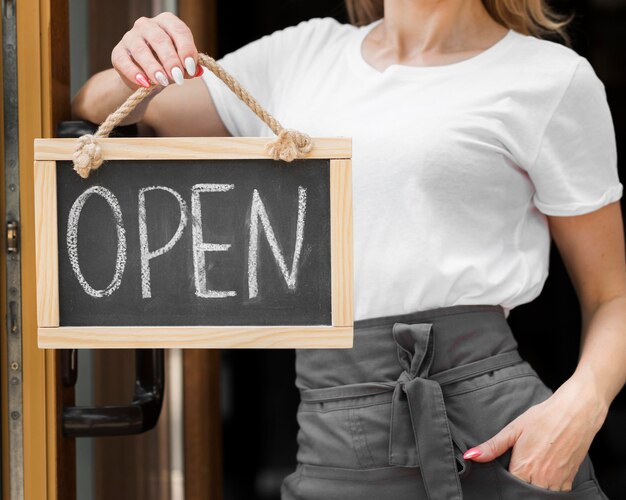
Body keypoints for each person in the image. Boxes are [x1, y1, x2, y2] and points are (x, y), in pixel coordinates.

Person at [72, 1, 626, 498]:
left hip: (497, 425)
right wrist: (140, 54)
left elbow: (612, 296)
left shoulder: (552, 79)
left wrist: (581, 407)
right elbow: (102, 105)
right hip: (332, 419)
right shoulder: (304, 53)